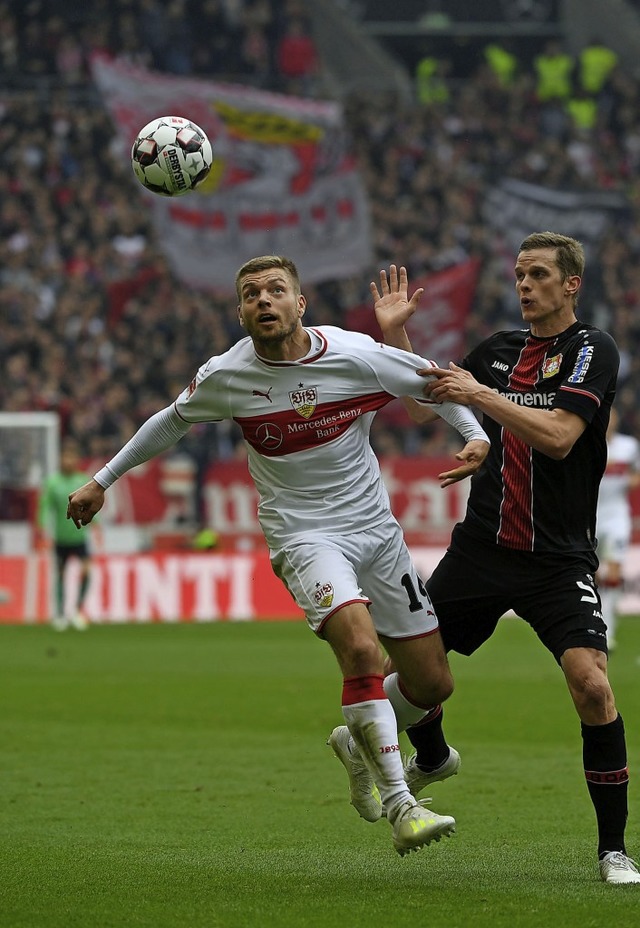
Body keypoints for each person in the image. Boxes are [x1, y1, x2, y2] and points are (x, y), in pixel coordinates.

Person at [66, 254, 490, 856]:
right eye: (250, 294)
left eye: (274, 290)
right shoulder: (227, 375)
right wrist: (102, 480)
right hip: (302, 535)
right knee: (362, 650)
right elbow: (169, 421)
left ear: (299, 303)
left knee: (431, 683)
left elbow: (431, 382)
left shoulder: (354, 353)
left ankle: (355, 738)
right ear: (240, 312)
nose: (263, 301)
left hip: (376, 532)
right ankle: (403, 807)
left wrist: (474, 436)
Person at [369, 234, 638, 884]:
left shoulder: (591, 351)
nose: (525, 284)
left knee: (593, 687)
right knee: (403, 668)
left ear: (571, 284)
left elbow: (558, 437)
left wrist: (481, 398)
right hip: (483, 549)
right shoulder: (497, 352)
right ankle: (432, 755)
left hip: (557, 559)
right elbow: (425, 400)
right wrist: (397, 340)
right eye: (519, 274)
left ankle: (613, 850)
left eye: (539, 274)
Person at [37, 438, 101, 630]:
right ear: (60, 460)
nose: (68, 461)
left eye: (72, 457)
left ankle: (78, 610)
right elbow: (44, 508)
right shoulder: (52, 483)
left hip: (79, 538)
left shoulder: (82, 481)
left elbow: (92, 507)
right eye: (65, 457)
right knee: (61, 575)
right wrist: (41, 531)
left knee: (87, 572)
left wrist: (97, 528)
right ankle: (60, 614)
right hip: (61, 539)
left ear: (77, 460)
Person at [596, 407, 640, 651]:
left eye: (613, 416)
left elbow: (636, 474)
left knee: (613, 574)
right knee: (591, 576)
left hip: (616, 517)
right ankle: (594, 627)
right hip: (589, 517)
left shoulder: (629, 446)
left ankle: (608, 631)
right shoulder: (587, 442)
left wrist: (624, 482)